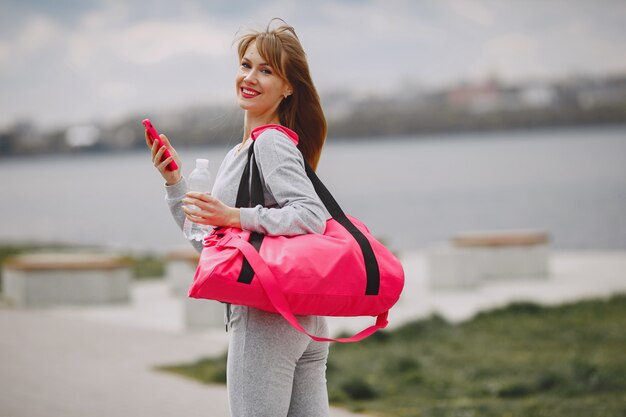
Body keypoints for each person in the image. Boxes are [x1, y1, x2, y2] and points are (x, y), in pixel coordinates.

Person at [146, 19, 331, 417]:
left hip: (266, 320)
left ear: (288, 87)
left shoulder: (271, 144)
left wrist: (235, 215)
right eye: (246, 65)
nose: (249, 77)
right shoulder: (243, 152)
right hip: (303, 320)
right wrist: (174, 182)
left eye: (266, 70)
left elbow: (312, 216)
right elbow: (211, 242)